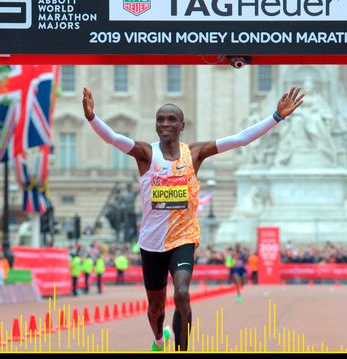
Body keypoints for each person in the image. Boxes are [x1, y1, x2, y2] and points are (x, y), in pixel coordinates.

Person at [82, 85, 305, 351]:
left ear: (182, 126)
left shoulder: (195, 153)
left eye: (171, 119)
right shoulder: (146, 154)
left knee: (182, 294)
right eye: (160, 120)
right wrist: (92, 118)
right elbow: (114, 138)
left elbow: (240, 139)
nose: (165, 124)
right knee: (155, 308)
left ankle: (182, 349)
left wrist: (276, 117)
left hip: (184, 237)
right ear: (155, 126)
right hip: (151, 242)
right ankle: (158, 339)